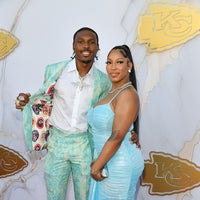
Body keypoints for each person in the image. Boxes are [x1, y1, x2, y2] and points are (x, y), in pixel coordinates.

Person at [15, 28, 140, 200]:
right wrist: (25, 102)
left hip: (85, 145)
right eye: (80, 41)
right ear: (73, 46)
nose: (86, 46)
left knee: (86, 196)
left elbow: (116, 111)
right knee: (54, 196)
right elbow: (42, 98)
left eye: (91, 42)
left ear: (97, 47)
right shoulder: (55, 70)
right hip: (57, 143)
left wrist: (130, 133)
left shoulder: (104, 81)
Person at [87, 45, 144, 200]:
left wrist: (96, 166)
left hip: (119, 164)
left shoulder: (127, 94)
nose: (113, 68)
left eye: (119, 62)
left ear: (129, 65)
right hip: (107, 162)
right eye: (109, 62)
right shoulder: (112, 92)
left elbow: (117, 136)